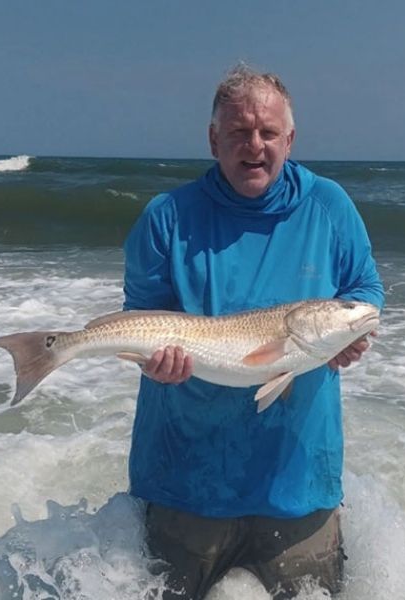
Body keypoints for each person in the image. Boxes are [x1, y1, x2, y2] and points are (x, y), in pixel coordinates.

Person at [122, 64, 385, 599]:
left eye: (268, 133)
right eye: (239, 133)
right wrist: (150, 361)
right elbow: (142, 317)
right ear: (213, 138)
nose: (254, 145)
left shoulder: (329, 206)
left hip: (298, 484)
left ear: (290, 139)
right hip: (183, 479)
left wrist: (354, 335)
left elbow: (366, 293)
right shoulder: (166, 216)